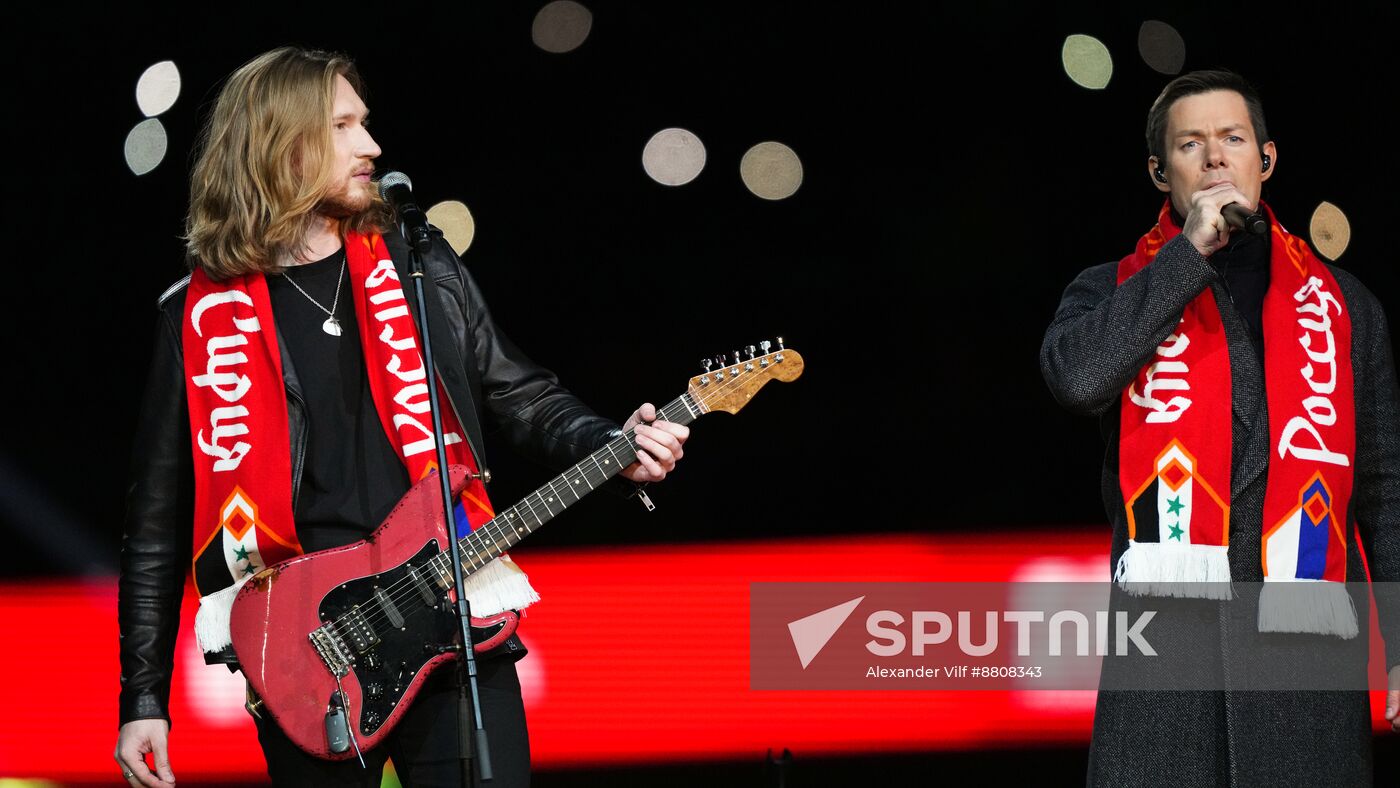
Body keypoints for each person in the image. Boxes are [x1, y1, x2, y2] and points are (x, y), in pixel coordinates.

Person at [113, 46, 689, 788]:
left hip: (454, 612)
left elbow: (519, 393)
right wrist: (144, 698)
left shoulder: (417, 260)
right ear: (281, 145)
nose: (371, 146)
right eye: (343, 126)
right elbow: (156, 527)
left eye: (366, 123)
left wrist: (611, 445)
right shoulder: (195, 317)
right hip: (309, 650)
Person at [1040, 69, 1398, 785]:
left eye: (1232, 139)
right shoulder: (1112, 286)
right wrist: (1186, 257)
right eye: (1190, 144)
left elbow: (1384, 491)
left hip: (1303, 664)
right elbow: (1078, 379)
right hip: (1164, 670)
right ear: (1158, 170)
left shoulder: (1343, 308)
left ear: (1265, 160)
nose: (1213, 158)